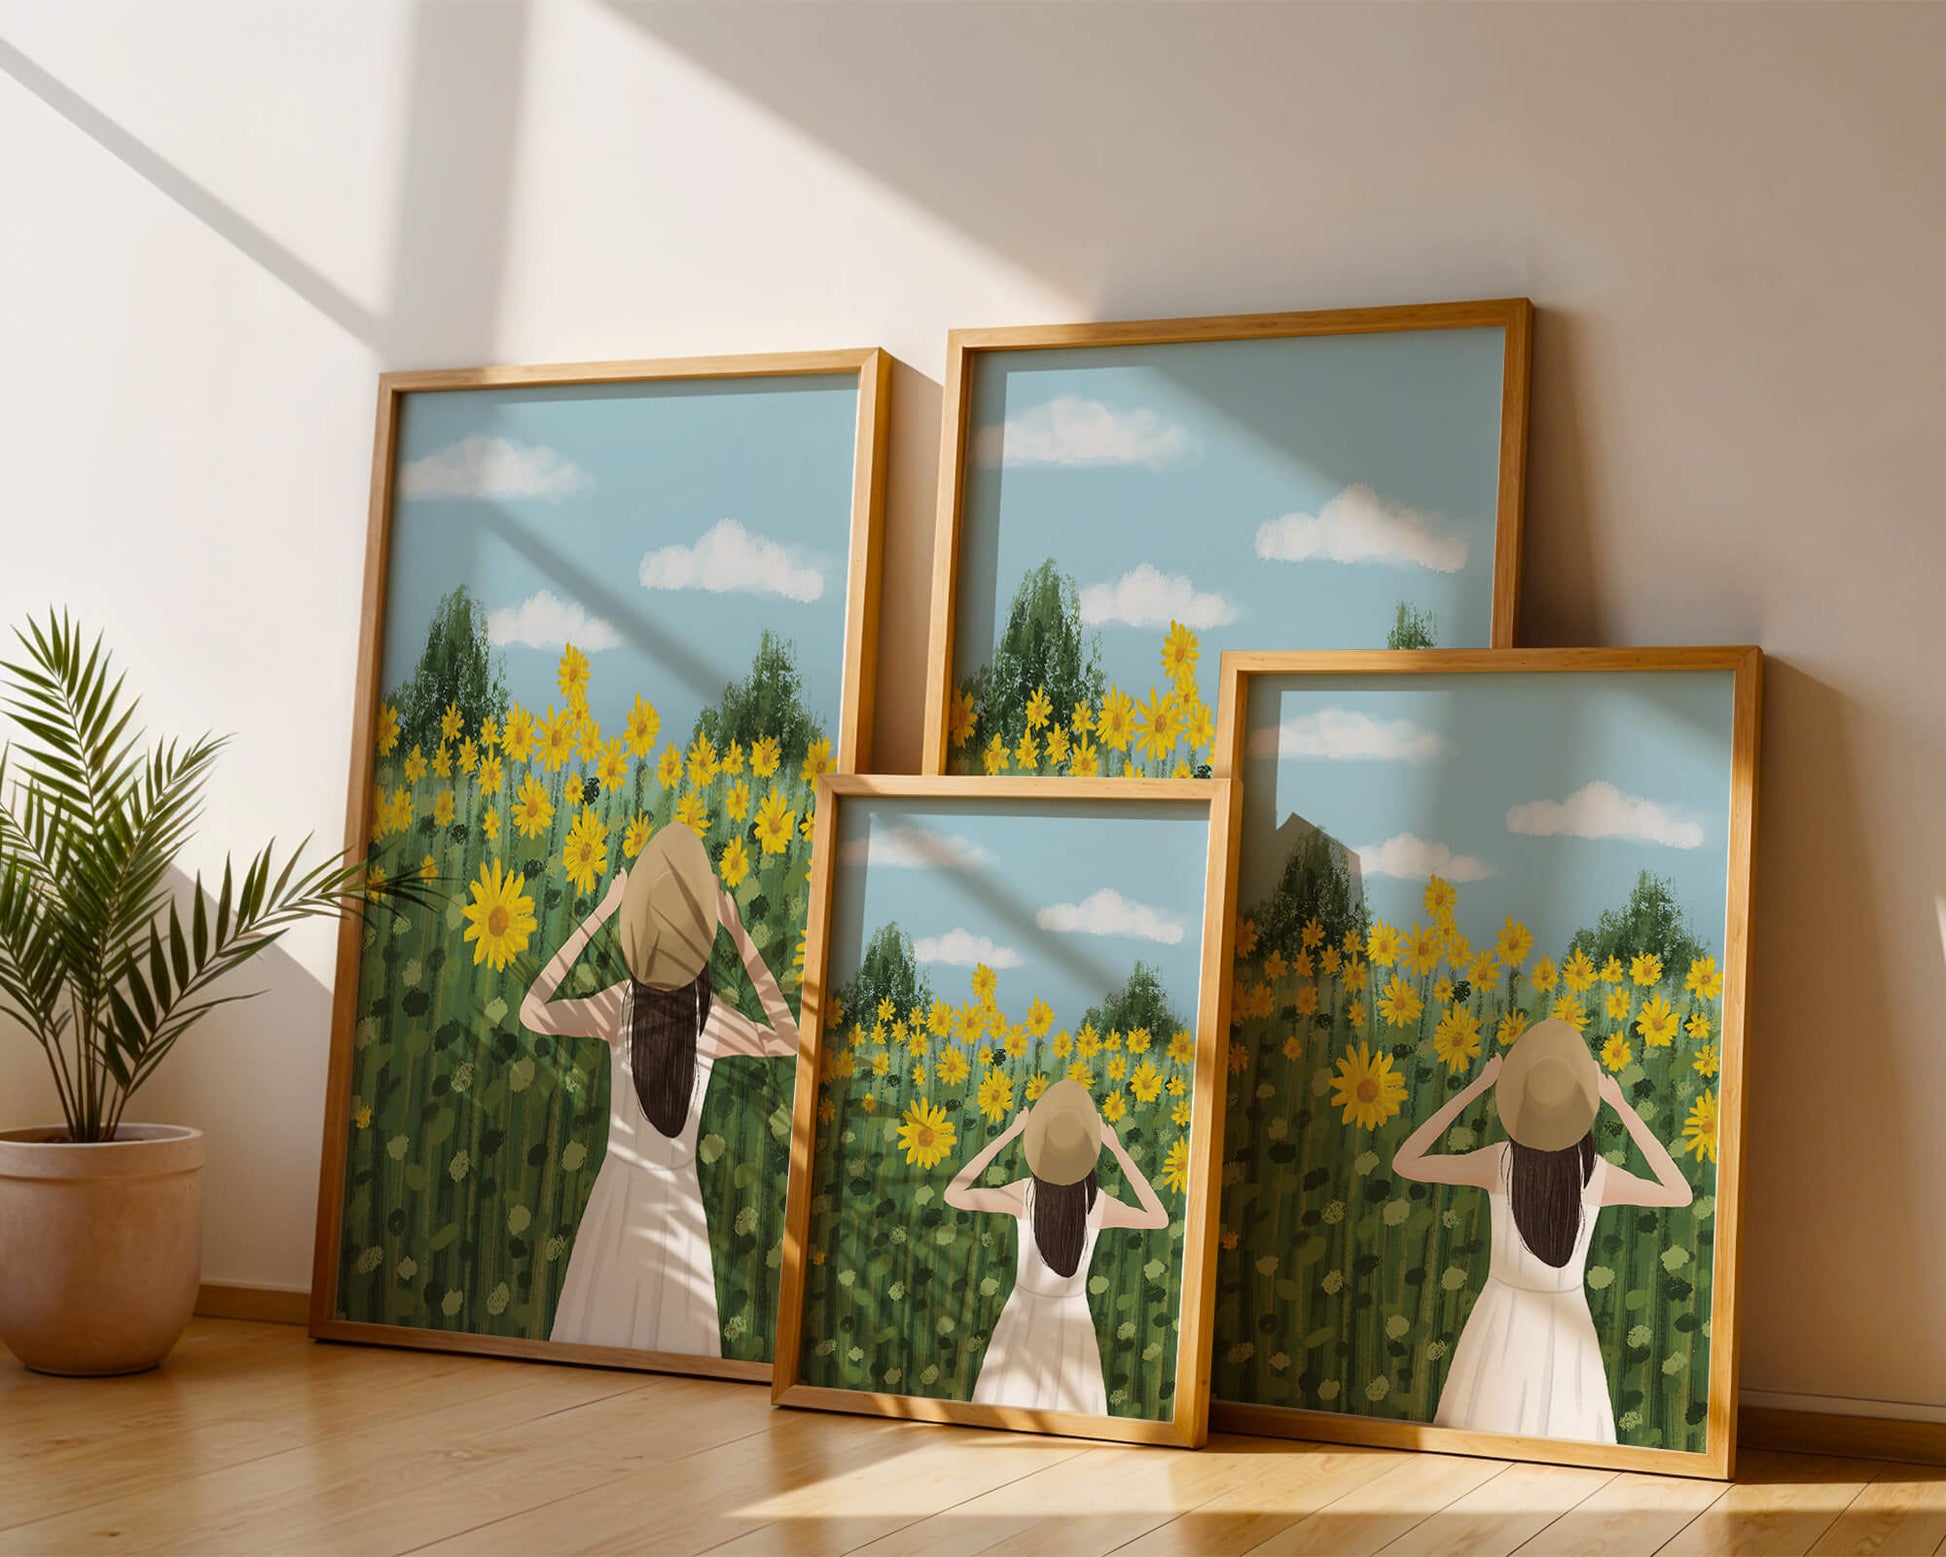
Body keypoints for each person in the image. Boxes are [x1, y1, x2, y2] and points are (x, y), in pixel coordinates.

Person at [521, 826, 797, 1355]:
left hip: (618, 1195)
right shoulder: (710, 1018)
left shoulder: (619, 1005)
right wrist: (740, 934)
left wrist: (600, 913)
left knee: (596, 1338)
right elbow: (787, 1038)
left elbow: (533, 1011)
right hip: (678, 1202)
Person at [1392, 1017, 1693, 1444]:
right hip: (1566, 1321)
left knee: (1483, 1431)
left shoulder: (1499, 1162)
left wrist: (1477, 1087)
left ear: (1520, 1107)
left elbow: (1406, 1161)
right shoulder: (1595, 1175)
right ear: (1580, 1111)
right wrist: (1622, 1106)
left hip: (1500, 1314)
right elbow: (1679, 1192)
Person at [945, 1078, 1169, 1415]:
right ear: (1087, 1155)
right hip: (1073, 1320)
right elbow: (1158, 1217)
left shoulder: (1024, 1194)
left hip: (1023, 1316)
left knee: (1006, 1409)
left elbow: (954, 1194)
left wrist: (1008, 1135)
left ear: (1040, 1150)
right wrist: (1118, 1150)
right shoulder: (1097, 1204)